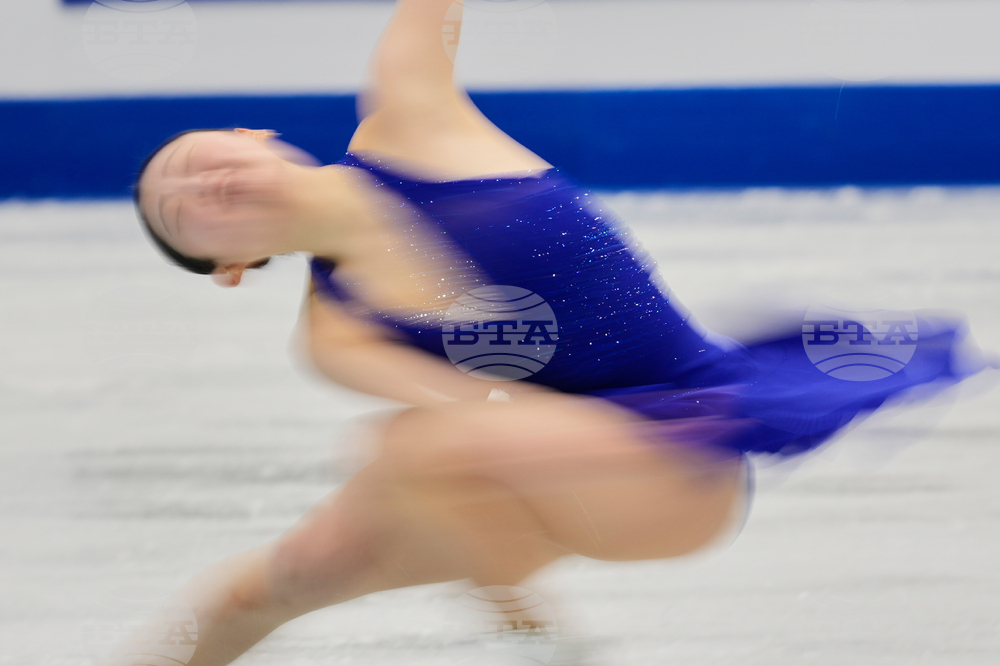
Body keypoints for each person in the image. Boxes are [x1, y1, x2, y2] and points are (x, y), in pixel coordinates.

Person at [126, 1, 985, 664]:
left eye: (189, 163)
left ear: (249, 136)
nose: (200, 189)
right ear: (230, 270)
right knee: (273, 584)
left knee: (399, 450)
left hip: (682, 468)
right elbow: (490, 410)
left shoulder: (411, 115)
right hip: (536, 479)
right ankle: (506, 592)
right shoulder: (336, 336)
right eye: (181, 213)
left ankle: (515, 608)